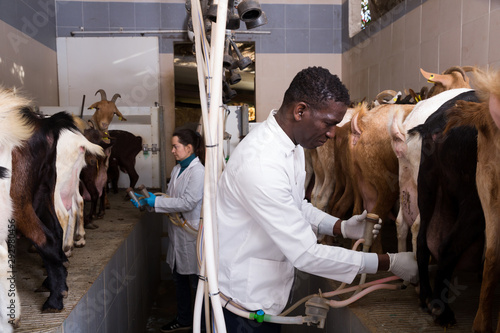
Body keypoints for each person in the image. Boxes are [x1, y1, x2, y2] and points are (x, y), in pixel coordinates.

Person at [215, 66, 419, 332]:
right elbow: (306, 254)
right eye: (329, 123)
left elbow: (297, 205)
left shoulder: (292, 145)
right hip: (241, 306)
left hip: (264, 295)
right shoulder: (260, 163)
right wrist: (389, 263)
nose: (333, 134)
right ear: (300, 111)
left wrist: (341, 227)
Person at [132, 128, 204, 332]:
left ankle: (202, 324)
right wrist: (150, 203)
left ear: (189, 148)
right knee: (179, 279)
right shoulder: (177, 169)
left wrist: (158, 202)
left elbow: (189, 202)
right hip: (178, 233)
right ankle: (184, 319)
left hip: (191, 235)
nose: (172, 150)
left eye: (175, 146)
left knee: (196, 283)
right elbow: (172, 199)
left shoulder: (198, 172)